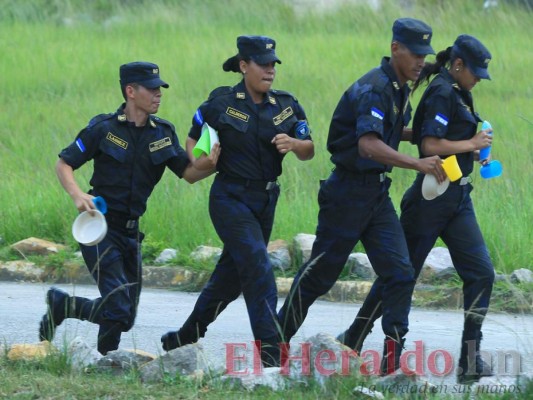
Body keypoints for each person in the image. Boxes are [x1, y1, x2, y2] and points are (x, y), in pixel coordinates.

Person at [277, 18, 446, 375]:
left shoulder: (401, 88)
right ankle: (274, 342)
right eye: (415, 53)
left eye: (425, 55)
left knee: (400, 273)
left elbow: (391, 130)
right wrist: (419, 163)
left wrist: (433, 137)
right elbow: (368, 145)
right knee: (320, 275)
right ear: (395, 48)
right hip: (347, 193)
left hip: (375, 195)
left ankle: (392, 365)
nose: (420, 61)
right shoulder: (375, 88)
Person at [337, 34, 495, 384]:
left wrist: (473, 148)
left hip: (457, 197)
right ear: (458, 66)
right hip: (430, 200)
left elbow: (436, 136)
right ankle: (357, 339)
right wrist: (472, 142)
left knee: (482, 272)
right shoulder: (441, 91)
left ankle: (470, 358)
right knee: (400, 277)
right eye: (476, 72)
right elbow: (429, 144)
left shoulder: (458, 92)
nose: (479, 78)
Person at [39, 61, 219, 355]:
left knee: (125, 316)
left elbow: (188, 174)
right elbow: (65, 163)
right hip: (99, 226)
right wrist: (76, 195)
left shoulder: (163, 133)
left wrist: (211, 165)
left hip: (131, 233)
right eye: (152, 89)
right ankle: (103, 354)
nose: (158, 94)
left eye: (160, 88)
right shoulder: (103, 128)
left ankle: (69, 313)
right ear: (131, 91)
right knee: (119, 306)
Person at [160, 35, 315, 367]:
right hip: (230, 197)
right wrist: (202, 160)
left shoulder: (286, 105)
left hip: (266, 199)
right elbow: (193, 137)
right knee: (259, 269)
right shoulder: (221, 103)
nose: (270, 71)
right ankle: (273, 359)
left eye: (273, 64)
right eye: (263, 64)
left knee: (229, 280)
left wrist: (294, 144)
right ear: (244, 66)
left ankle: (184, 337)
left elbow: (309, 148)